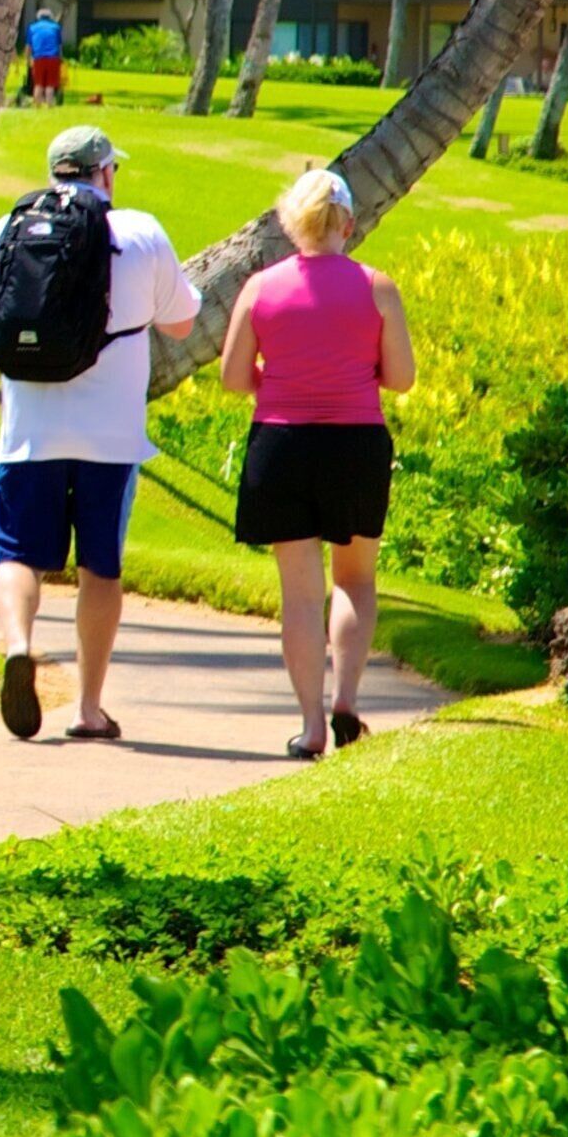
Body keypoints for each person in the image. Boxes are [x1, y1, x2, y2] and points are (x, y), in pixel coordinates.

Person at [0, 124, 199, 741]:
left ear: (55, 172)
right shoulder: (139, 233)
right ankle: (88, 709)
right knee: (100, 570)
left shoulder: (17, 226)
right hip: (111, 439)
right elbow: (182, 321)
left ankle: (17, 646)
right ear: (106, 173)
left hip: (29, 432)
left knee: (15, 555)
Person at [214, 167, 416, 759]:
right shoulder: (377, 287)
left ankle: (311, 726)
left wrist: (277, 380)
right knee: (354, 579)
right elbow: (401, 379)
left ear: (289, 223)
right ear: (348, 223)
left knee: (300, 594)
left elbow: (232, 377)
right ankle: (347, 697)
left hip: (280, 444)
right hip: (355, 443)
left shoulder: (260, 288)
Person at [24, 9, 66, 106]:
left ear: (38, 17)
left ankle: (37, 106)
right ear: (50, 17)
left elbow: (28, 47)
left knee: (38, 84)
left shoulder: (32, 28)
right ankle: (49, 105)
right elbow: (59, 46)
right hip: (53, 58)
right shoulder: (56, 27)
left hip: (38, 58)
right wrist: (61, 59)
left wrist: (27, 60)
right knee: (50, 85)